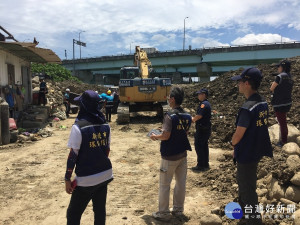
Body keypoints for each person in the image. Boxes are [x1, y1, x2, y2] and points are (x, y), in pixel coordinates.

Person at [231, 68, 273, 224]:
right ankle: (244, 215)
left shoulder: (247, 108)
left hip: (246, 153)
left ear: (247, 83)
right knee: (245, 183)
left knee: (248, 189)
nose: (238, 85)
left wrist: (233, 144)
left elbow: (238, 134)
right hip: (256, 150)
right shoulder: (262, 102)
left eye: (240, 82)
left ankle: (253, 221)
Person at [64, 90, 113, 225]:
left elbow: (73, 155)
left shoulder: (78, 127)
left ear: (84, 106)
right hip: (105, 175)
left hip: (86, 179)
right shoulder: (105, 125)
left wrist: (67, 178)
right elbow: (106, 150)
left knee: (73, 214)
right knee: (99, 211)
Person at [150, 86, 192, 221]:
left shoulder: (169, 115)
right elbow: (184, 133)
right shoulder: (187, 115)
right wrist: (163, 131)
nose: (168, 100)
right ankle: (178, 210)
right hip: (182, 155)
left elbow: (166, 136)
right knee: (181, 183)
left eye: (169, 98)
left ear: (173, 99)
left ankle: (163, 213)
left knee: (164, 184)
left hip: (169, 156)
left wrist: (156, 136)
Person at [270, 59, 293, 147]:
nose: (277, 68)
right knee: (283, 118)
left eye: (278, 66)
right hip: (287, 102)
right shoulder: (290, 76)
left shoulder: (279, 76)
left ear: (283, 67)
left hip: (279, 103)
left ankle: (283, 141)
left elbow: (271, 88)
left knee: (282, 123)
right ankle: (280, 122)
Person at [192, 88, 211, 171]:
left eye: (199, 94)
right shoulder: (206, 103)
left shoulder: (203, 104)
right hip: (206, 128)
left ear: (203, 94)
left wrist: (192, 120)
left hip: (202, 129)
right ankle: (205, 164)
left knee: (199, 146)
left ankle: (200, 165)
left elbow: (199, 116)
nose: (198, 95)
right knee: (204, 146)